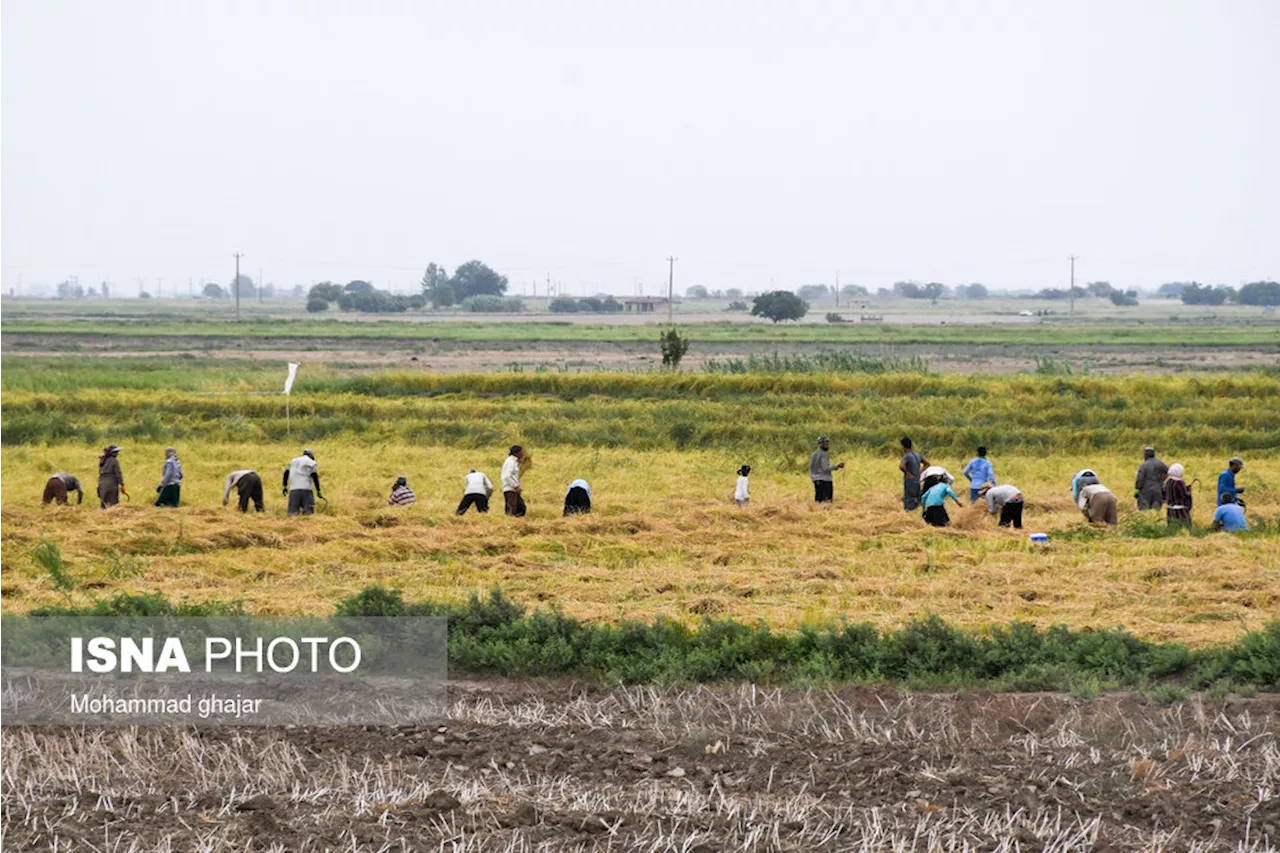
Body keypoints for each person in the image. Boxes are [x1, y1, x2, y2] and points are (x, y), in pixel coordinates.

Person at [283, 449, 322, 516]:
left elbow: (286, 473)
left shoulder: (293, 461)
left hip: (293, 490)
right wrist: (318, 490)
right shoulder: (311, 462)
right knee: (308, 513)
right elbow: (314, 476)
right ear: (311, 456)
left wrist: (285, 487)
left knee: (292, 514)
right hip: (306, 489)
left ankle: (292, 525)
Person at [810, 436, 844, 503]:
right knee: (826, 501)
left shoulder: (814, 454)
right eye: (826, 444)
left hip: (815, 479)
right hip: (825, 479)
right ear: (821, 444)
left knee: (818, 500)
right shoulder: (823, 454)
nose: (828, 446)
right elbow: (825, 468)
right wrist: (837, 466)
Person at [899, 437, 927, 511]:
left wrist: (907, 473)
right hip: (917, 480)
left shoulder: (907, 456)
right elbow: (927, 464)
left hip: (910, 480)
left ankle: (909, 514)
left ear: (903, 446)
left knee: (909, 499)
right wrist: (920, 472)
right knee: (916, 498)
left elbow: (901, 466)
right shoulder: (917, 455)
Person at [1163, 463, 1192, 529]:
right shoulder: (1180, 482)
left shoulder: (1168, 482)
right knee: (1185, 527)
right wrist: (1189, 491)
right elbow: (1184, 496)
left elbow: (1164, 494)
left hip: (1170, 509)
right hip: (1180, 510)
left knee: (1172, 527)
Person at [501, 445, 526, 517]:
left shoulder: (514, 462)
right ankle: (509, 523)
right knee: (512, 509)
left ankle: (517, 522)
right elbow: (507, 476)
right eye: (521, 452)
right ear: (516, 453)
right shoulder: (510, 462)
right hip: (510, 489)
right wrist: (515, 486)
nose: (522, 454)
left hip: (513, 489)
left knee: (521, 507)